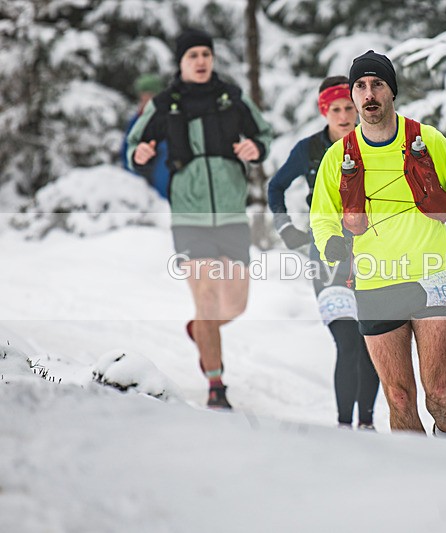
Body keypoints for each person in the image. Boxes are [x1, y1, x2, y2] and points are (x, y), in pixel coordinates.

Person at [310, 51, 446, 438]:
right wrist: (330, 245)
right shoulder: (338, 156)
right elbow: (321, 216)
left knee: (440, 392)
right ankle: (419, 469)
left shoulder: (428, 140)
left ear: (391, 91)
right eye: (360, 86)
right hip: (375, 283)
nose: (369, 94)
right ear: (352, 95)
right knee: (398, 397)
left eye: (377, 84)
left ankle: (445, 436)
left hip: (434, 277)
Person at [127, 29, 273, 409]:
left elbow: (263, 133)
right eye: (192, 55)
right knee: (206, 297)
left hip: (231, 213)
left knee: (236, 304)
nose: (201, 60)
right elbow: (134, 143)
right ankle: (216, 384)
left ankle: (202, 330)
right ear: (181, 62)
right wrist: (139, 154)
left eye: (206, 53)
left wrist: (256, 147)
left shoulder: (231, 98)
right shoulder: (166, 104)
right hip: (189, 216)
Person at [268, 76, 380, 430]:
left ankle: (366, 424)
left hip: (372, 255)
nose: (344, 116)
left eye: (349, 107)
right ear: (324, 112)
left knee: (370, 343)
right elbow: (276, 186)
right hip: (328, 257)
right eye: (336, 110)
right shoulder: (309, 150)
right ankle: (344, 426)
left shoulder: (375, 142)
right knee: (348, 342)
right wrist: (285, 227)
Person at [120, 74, 170, 198]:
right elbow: (127, 151)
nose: (146, 102)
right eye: (143, 98)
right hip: (139, 187)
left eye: (150, 97)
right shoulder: (136, 122)